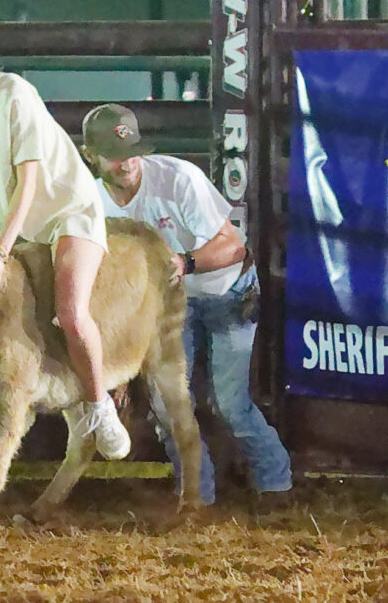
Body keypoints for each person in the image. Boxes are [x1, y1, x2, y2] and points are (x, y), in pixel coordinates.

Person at [0, 10, 130, 460]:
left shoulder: (14, 93)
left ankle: (99, 406)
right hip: (14, 226)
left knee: (70, 313)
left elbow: (28, 180)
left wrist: (1, 249)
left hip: (67, 209)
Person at [82, 104, 293, 504]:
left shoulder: (179, 180)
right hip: (166, 306)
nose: (126, 163)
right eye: (113, 155)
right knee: (169, 407)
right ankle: (197, 494)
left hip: (224, 289)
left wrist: (184, 263)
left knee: (229, 403)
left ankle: (275, 482)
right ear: (90, 155)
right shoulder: (92, 202)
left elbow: (233, 247)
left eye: (131, 152)